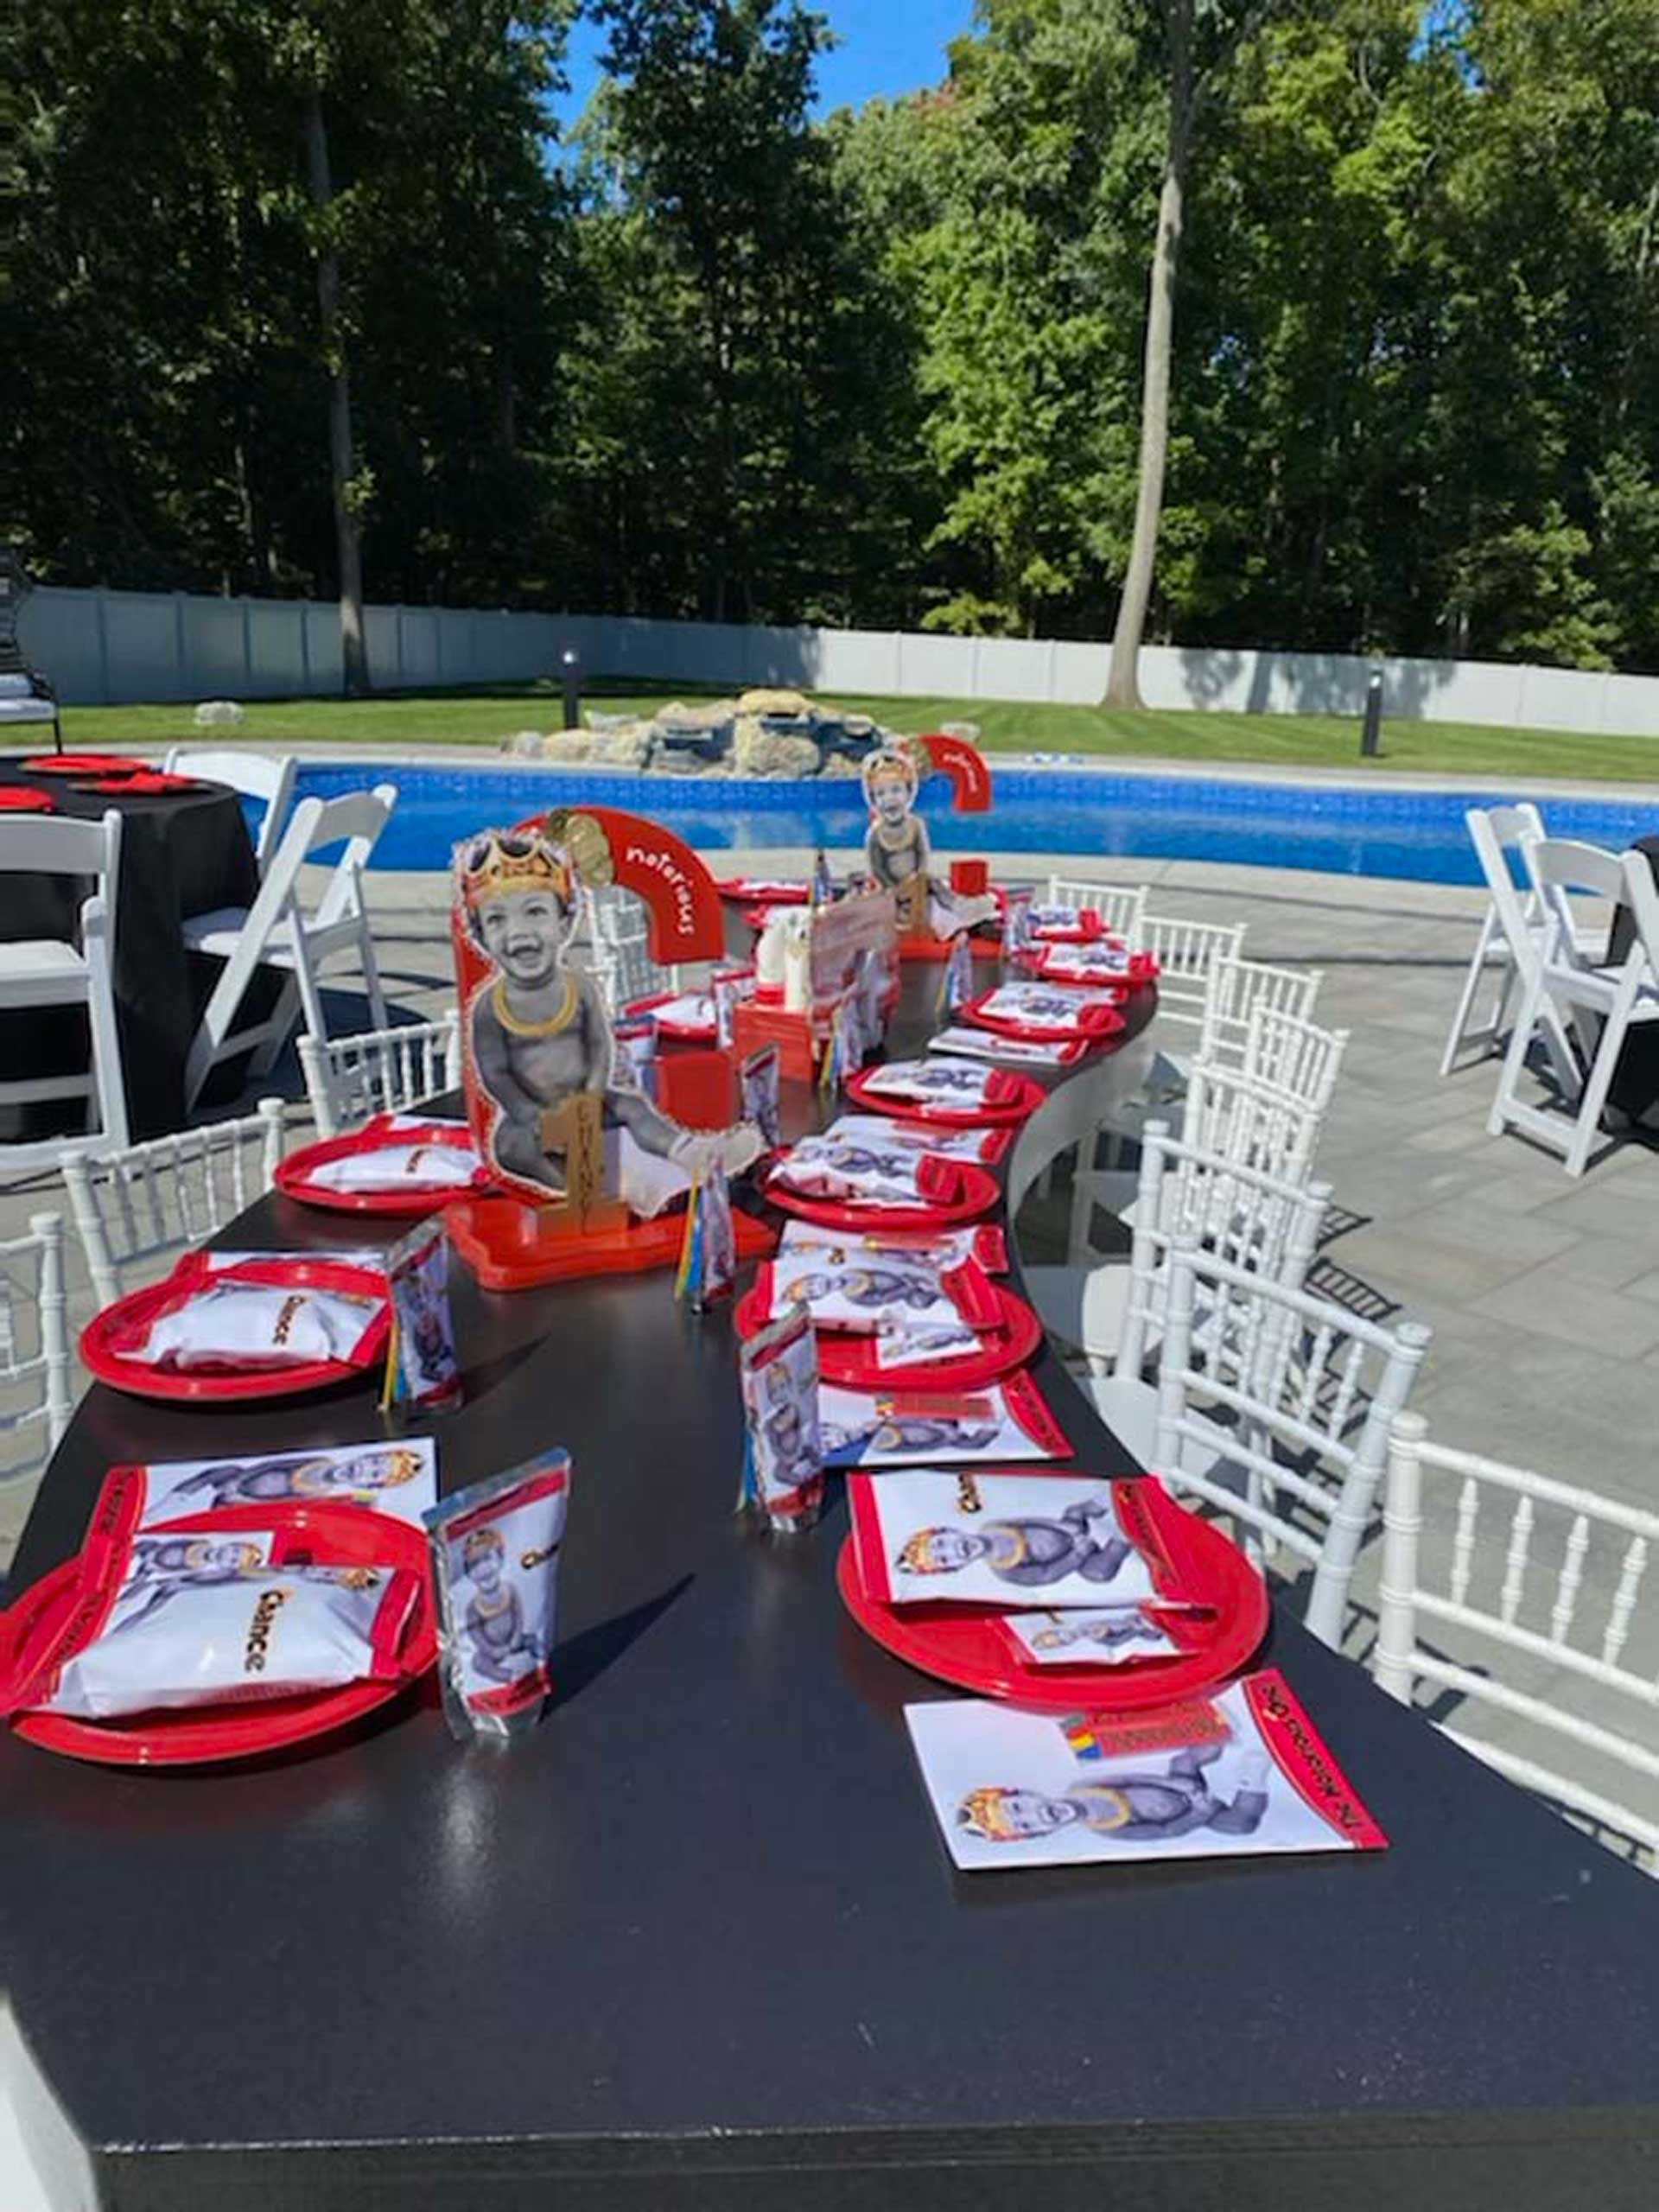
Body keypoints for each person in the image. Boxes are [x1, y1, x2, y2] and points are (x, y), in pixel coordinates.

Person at [459, 825, 760, 1205]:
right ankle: (598, 1186)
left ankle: (690, 1152)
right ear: (481, 937)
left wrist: (592, 1093)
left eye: (535, 912)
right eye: (497, 919)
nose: (518, 932)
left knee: (633, 1106)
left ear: (565, 923)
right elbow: (495, 1073)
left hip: (590, 1100)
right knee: (509, 1146)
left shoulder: (579, 988)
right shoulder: (489, 1008)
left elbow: (600, 1043)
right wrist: (528, 1112)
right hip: (533, 1115)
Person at [958, 1745, 1271, 1846]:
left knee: (1186, 1759)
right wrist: (1200, 1813)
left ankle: (1232, 1736)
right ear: (1041, 1833)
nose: (1033, 1815)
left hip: (1177, 1786)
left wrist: (1181, 1786)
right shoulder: (1108, 1830)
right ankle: (1251, 1780)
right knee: (1239, 1825)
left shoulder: (1081, 1787)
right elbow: (1164, 1831)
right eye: (1026, 1825)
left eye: (1018, 1808)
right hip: (1192, 1813)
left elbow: (1133, 1778)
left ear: (1026, 1792)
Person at [861, 745, 996, 938]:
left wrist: (917, 880)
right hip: (891, 893)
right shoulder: (875, 834)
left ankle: (969, 918)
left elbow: (922, 855)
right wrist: (895, 889)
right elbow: (878, 869)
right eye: (881, 794)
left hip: (919, 885)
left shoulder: (915, 825)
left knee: (938, 897)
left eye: (896, 790)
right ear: (872, 799)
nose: (889, 799)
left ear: (909, 792)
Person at [896, 1491, 1133, 1591]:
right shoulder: (1005, 1572)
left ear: (948, 1529)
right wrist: (1078, 1555)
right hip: (1077, 1557)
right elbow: (1045, 1575)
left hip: (1067, 1531)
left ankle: (1112, 1497)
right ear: (957, 1567)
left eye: (941, 1543)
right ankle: (1125, 1536)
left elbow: (1030, 1521)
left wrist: (1064, 1527)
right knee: (1098, 1573)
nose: (953, 1549)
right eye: (945, 1558)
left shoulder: (991, 1527)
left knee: (1076, 1510)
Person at [162, 1447, 424, 1511]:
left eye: (374, 1475)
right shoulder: (323, 1458)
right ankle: (166, 1504)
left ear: (368, 1484)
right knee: (219, 1473)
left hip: (240, 1504)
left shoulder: (322, 1494)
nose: (365, 1470)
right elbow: (273, 1463)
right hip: (238, 1478)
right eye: (374, 1462)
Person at [460, 1526, 543, 1685]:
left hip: (515, 1639)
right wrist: (491, 1650)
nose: (482, 1568)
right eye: (475, 1563)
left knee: (532, 1639)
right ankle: (508, 1675)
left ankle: (539, 1660)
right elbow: (474, 1632)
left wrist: (516, 1637)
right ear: (467, 1572)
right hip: (492, 1650)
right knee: (478, 1662)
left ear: (500, 1558)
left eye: (487, 1558)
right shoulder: (472, 1606)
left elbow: (518, 1615)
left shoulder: (509, 1590)